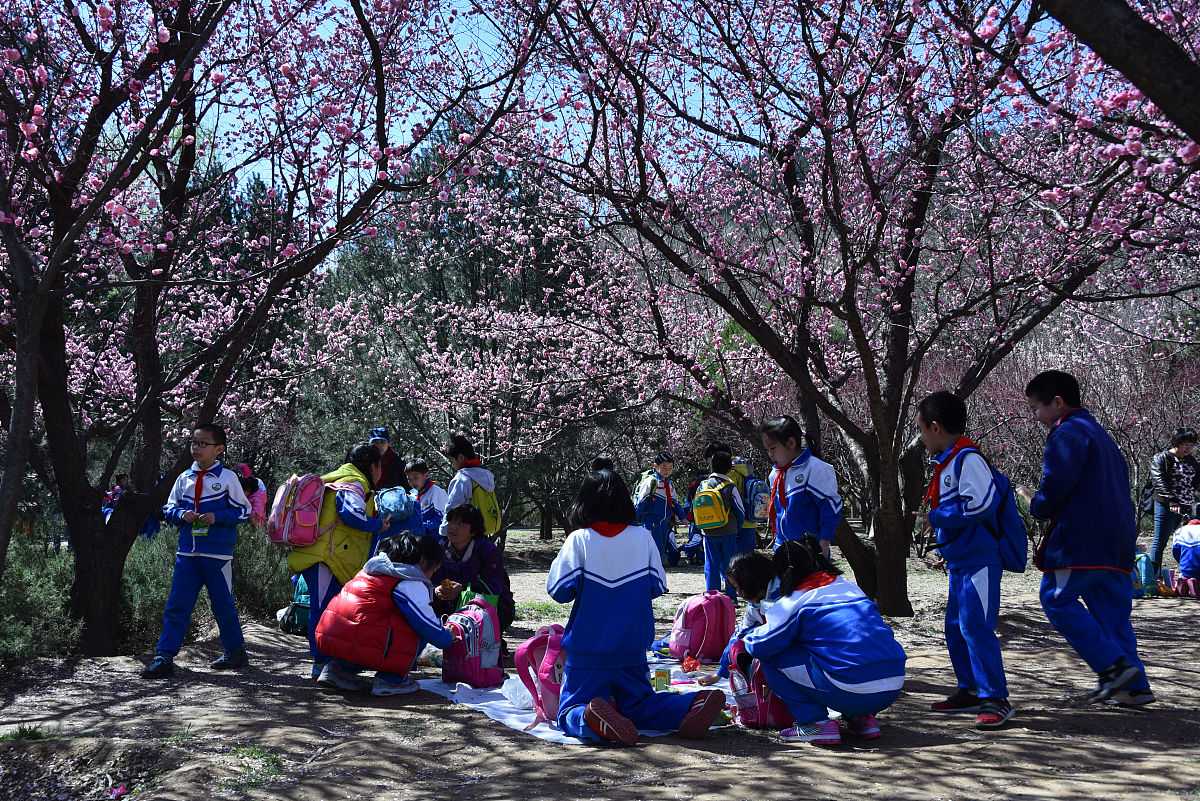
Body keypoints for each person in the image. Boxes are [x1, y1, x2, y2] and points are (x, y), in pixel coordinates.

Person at [546, 468, 725, 746]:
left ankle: (588, 718)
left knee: (569, 709)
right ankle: (690, 705)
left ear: (584, 503)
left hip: (588, 650)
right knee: (641, 705)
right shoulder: (643, 538)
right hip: (632, 649)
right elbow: (657, 586)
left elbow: (559, 591)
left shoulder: (579, 540)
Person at [1018, 370, 1153, 706]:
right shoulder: (1101, 435)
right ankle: (1135, 687)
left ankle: (1113, 668)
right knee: (1111, 614)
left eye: (1036, 408)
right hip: (1118, 538)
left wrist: (1035, 503)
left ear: (1057, 403)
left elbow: (1055, 487)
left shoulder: (1067, 432)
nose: (1035, 417)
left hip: (1084, 540)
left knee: (1055, 598)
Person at [741, 536, 907, 745]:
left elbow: (761, 645)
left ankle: (815, 723)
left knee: (772, 656)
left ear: (783, 573)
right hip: (892, 685)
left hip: (851, 688)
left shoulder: (797, 599)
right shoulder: (849, 588)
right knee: (839, 653)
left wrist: (746, 636)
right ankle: (862, 718)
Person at [915, 391, 1014, 729]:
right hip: (961, 559)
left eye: (921, 429)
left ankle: (995, 698)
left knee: (975, 624)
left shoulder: (967, 458)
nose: (921, 437)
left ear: (936, 427)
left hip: (979, 559)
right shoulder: (948, 461)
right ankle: (970, 690)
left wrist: (938, 517)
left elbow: (980, 504)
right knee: (956, 626)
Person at [141, 424, 253, 679]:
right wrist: (182, 514)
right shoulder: (184, 478)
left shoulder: (228, 478)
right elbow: (169, 509)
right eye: (194, 442)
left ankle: (235, 652)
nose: (196, 447)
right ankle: (163, 657)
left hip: (217, 555)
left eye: (203, 443)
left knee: (222, 605)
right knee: (177, 605)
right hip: (187, 554)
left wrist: (217, 516)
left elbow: (244, 511)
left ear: (219, 449)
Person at [288, 443, 392, 680]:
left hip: (327, 557)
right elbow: (351, 514)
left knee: (329, 609)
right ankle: (321, 662)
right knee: (323, 609)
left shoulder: (341, 479)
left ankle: (329, 662)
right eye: (380, 467)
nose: (381, 473)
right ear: (372, 466)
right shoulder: (353, 483)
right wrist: (378, 524)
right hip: (325, 558)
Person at [315, 533, 457, 696]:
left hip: (331, 636)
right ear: (423, 561)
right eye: (433, 570)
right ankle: (391, 679)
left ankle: (338, 669)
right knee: (417, 626)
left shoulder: (372, 570)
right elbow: (428, 625)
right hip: (361, 638)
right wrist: (447, 636)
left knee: (371, 623)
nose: (431, 575)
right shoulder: (408, 581)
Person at [697, 550, 781, 688]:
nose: (738, 593)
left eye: (739, 587)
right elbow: (739, 635)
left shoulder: (784, 595)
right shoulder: (755, 605)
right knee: (739, 645)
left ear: (753, 581)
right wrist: (719, 674)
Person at [762, 416, 842, 558]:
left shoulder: (815, 468)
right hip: (783, 548)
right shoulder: (775, 473)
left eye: (773, 448)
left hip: (809, 550)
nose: (770, 454)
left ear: (791, 443)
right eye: (767, 450)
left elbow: (830, 508)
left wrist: (824, 544)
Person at [430, 503, 516, 631]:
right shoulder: (440, 548)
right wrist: (435, 590)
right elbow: (428, 576)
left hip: (479, 610)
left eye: (460, 524)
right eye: (451, 522)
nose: (452, 527)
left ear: (474, 531)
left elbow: (494, 585)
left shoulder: (488, 551)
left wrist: (463, 589)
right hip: (446, 607)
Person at [696, 450, 746, 598]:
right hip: (728, 530)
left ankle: (712, 595)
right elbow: (740, 509)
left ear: (711, 466)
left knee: (711, 563)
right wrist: (737, 526)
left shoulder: (703, 485)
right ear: (730, 469)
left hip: (708, 531)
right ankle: (731, 595)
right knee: (730, 564)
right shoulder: (730, 486)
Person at [1149, 427, 1199, 572]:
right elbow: (1158, 481)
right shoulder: (1162, 458)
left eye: (1191, 445)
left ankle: (1187, 573)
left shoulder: (1191, 460)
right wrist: (1172, 501)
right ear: (1176, 443)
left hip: (1187, 504)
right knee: (1160, 541)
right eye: (1185, 445)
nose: (1188, 448)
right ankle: (1154, 576)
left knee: (1186, 541)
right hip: (1167, 504)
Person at [633, 451, 688, 562]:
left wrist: (683, 517)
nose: (667, 470)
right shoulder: (650, 482)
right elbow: (640, 503)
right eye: (664, 467)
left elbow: (675, 503)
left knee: (661, 549)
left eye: (670, 468)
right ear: (656, 466)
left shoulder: (669, 484)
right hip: (651, 522)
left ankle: (657, 568)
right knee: (653, 549)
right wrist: (633, 522)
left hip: (664, 523)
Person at [439, 435, 497, 539]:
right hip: (483, 533)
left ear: (460, 458)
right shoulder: (486, 475)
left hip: (464, 536)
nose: (452, 465)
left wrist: (444, 532)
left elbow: (452, 509)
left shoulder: (461, 479)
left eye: (452, 461)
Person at [406, 458, 449, 538]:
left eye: (416, 478)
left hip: (437, 539)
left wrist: (423, 527)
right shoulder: (412, 496)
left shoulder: (436, 491)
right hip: (420, 538)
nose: (412, 482)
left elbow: (443, 517)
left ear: (426, 475)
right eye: (409, 479)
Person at [1172, 519, 1200, 597]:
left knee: (1187, 573)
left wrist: (1181, 562)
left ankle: (1184, 579)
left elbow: (1175, 552)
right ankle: (1195, 583)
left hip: (1185, 567)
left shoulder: (1180, 531)